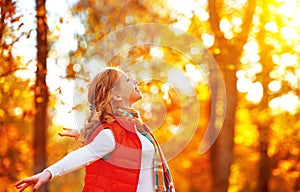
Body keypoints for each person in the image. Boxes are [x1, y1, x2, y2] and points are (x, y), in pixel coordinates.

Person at [15, 67, 175, 192]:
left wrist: (85, 132)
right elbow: (83, 155)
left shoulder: (136, 129)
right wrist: (49, 172)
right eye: (127, 79)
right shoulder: (110, 135)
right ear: (117, 96)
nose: (135, 81)